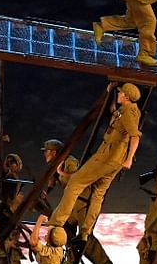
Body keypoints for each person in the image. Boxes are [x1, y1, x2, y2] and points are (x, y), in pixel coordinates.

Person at [49, 83, 142, 238]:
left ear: (126, 96)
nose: (118, 95)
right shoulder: (126, 110)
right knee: (98, 194)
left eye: (120, 93)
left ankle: (57, 222)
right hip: (113, 160)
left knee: (75, 184)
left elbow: (135, 136)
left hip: (107, 157)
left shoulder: (128, 114)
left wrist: (129, 159)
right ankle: (85, 232)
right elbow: (114, 114)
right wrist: (110, 92)